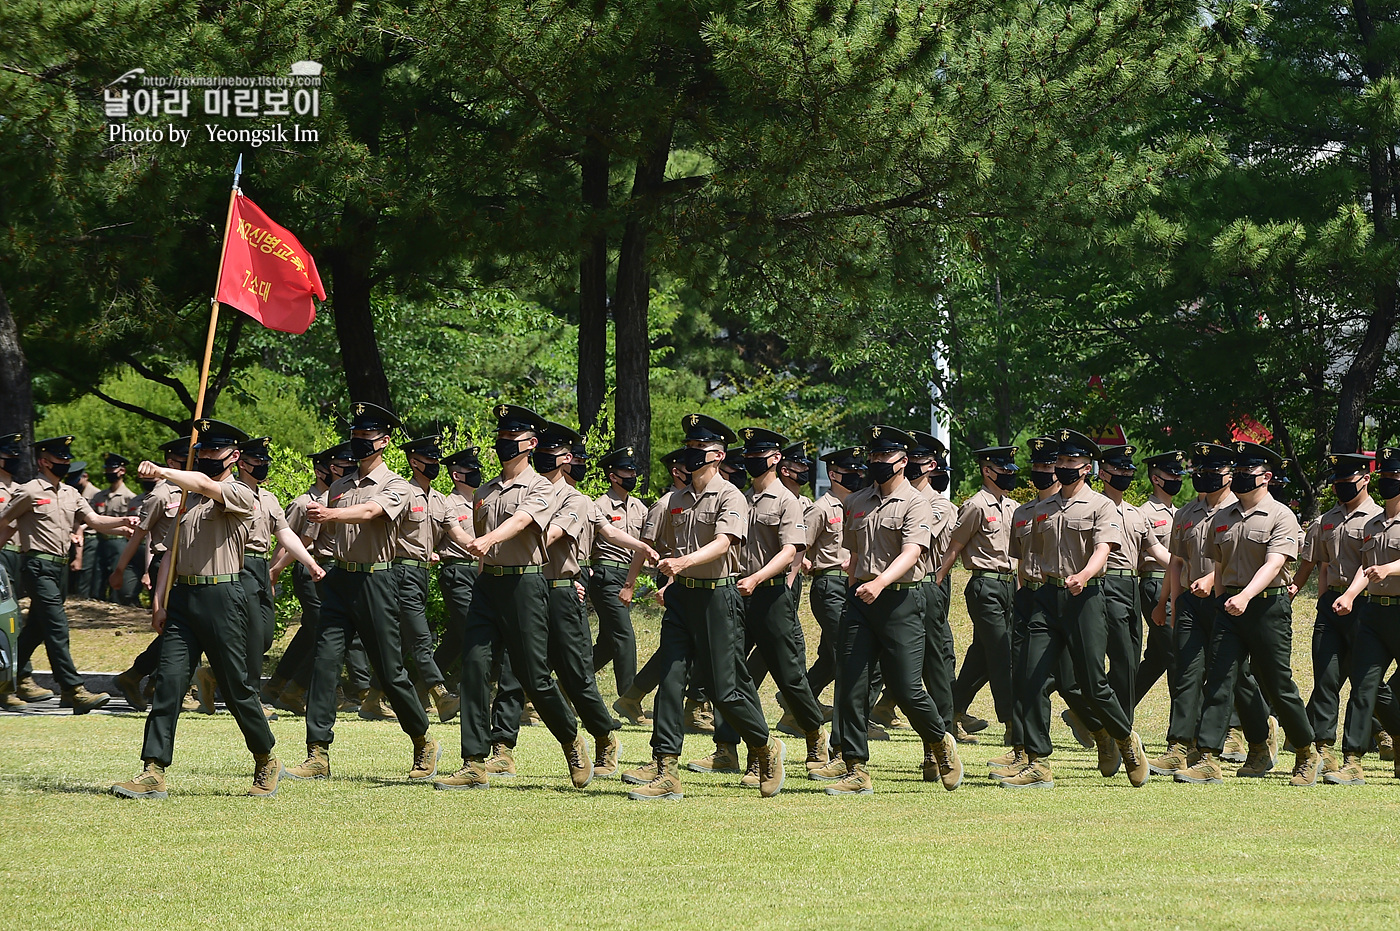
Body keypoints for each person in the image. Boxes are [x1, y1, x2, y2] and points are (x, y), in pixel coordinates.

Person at [110, 419, 297, 799]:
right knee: (170, 683)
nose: (208, 456)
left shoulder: (240, 492)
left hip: (223, 598)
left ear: (234, 456)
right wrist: (160, 602)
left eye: (215, 450)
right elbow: (171, 555)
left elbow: (208, 485)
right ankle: (153, 770)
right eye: (203, 450)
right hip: (184, 600)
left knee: (235, 686)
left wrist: (166, 472)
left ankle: (265, 758)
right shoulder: (183, 499)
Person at [433, 405, 594, 791]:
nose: (504, 444)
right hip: (489, 585)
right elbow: (475, 529)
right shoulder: (485, 491)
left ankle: (571, 739)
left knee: (533, 676)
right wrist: (474, 547)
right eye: (501, 437)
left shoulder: (541, 487)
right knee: (473, 668)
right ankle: (474, 761)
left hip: (526, 585)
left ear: (531, 444)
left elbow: (522, 521)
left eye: (512, 438)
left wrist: (489, 540)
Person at [284, 402, 446, 785]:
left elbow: (373, 513)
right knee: (324, 666)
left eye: (366, 438)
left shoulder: (397, 486)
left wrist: (330, 515)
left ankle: (423, 740)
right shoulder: (339, 485)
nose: (358, 444)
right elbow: (318, 529)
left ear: (384, 442)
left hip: (377, 581)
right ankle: (317, 753)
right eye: (354, 437)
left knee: (390, 672)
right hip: (340, 580)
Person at [626, 414, 785, 801]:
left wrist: (683, 562)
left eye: (698, 449)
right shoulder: (674, 499)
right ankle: (666, 769)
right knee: (671, 679)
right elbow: (658, 543)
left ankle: (765, 747)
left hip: (718, 597)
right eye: (689, 448)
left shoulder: (729, 495)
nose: (689, 454)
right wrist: (659, 565)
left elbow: (724, 542)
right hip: (682, 597)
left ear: (716, 455)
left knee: (724, 688)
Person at [1001, 429, 1149, 790]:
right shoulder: (1041, 508)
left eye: (1070, 461)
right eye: (1059, 461)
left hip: (1085, 598)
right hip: (1045, 600)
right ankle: (1037, 762)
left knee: (1093, 684)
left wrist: (1083, 575)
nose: (1062, 467)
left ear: (1087, 467)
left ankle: (1125, 739)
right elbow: (1026, 556)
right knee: (1031, 678)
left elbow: (1103, 549)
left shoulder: (1101, 505)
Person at [823, 424, 960, 795]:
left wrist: (880, 582)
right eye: (873, 455)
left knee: (906, 686)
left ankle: (938, 741)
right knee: (851, 682)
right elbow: (852, 553)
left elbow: (913, 551)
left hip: (900, 599)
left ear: (902, 460)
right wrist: (854, 581)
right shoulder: (855, 502)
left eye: (884, 455)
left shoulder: (918, 504)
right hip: (860, 601)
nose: (877, 461)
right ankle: (855, 767)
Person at [1176, 441, 1319, 786]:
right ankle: (1208, 757)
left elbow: (1275, 564)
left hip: (1268, 606)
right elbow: (1219, 563)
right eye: (1236, 472)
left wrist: (1246, 597)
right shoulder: (1222, 517)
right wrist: (1225, 597)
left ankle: (1306, 751)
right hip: (1230, 607)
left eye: (1247, 473)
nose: (1240, 478)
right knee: (1220, 680)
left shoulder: (1280, 516)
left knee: (1278, 684)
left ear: (1266, 477)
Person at [692, 427, 828, 782]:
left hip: (770, 596)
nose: (751, 460)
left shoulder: (788, 501)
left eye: (759, 454)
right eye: (748, 454)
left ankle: (815, 736)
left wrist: (756, 578)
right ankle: (730, 749)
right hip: (734, 595)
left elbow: (790, 550)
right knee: (733, 674)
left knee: (789, 675)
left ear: (776, 458)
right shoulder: (737, 497)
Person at [1152, 443, 1277, 778]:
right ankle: (1179, 747)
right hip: (1191, 604)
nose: (1206, 478)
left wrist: (1211, 580)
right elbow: (1176, 563)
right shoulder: (1185, 514)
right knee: (1186, 674)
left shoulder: (1240, 513)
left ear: (1229, 475)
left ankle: (1260, 735)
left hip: (1227, 601)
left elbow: (1244, 563)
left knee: (1234, 679)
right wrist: (1171, 602)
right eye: (1201, 472)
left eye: (1214, 472)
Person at [0, 436, 136, 712]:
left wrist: (123, 522)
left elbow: (96, 521)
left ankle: (6, 681)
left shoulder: (71, 493)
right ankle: (73, 689)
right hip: (36, 564)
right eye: (60, 459)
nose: (65, 463)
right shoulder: (28, 491)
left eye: (67, 459)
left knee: (35, 630)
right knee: (57, 627)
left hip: (59, 567)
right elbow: (5, 520)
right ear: (44, 462)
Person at [1298, 452, 1387, 777]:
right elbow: (1324, 565)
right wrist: (1325, 599)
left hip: (1364, 604)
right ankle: (1323, 748)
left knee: (1367, 682)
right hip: (1331, 606)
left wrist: (1350, 595)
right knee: (1326, 678)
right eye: (1337, 483)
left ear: (1365, 479)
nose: (1340, 488)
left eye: (1346, 482)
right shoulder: (1327, 520)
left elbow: (1369, 566)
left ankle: (1384, 733)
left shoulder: (1378, 518)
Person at [614, 447, 712, 735]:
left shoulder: (699, 501)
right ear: (677, 471)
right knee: (683, 647)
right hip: (673, 578)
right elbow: (644, 549)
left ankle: (634, 697)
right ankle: (679, 707)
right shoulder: (665, 504)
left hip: (693, 575)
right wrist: (630, 585)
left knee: (686, 647)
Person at [227, 436, 321, 717]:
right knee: (254, 634)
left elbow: (286, 534)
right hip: (238, 564)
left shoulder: (268, 498)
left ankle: (216, 677)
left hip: (260, 568)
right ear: (241, 463)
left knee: (265, 636)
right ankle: (251, 698)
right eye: (257, 461)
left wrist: (309, 563)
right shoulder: (230, 493)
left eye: (265, 461)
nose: (263, 466)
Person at [935, 445, 1020, 742]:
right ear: (987, 471)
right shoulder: (975, 505)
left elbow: (1018, 555)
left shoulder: (1012, 506)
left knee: (982, 656)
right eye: (1003, 469)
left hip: (1009, 586)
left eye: (1011, 469)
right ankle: (1012, 723)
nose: (1009, 474)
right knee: (1002, 653)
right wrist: (937, 581)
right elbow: (954, 548)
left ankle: (951, 712)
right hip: (985, 586)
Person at [108, 436, 195, 712]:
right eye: (185, 459)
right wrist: (121, 569)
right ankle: (138, 676)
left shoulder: (194, 490)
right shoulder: (160, 495)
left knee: (182, 630)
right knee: (174, 630)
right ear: (171, 462)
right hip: (165, 567)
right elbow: (139, 536)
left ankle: (148, 679)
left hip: (189, 568)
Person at [1330, 446, 1400, 784]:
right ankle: (1353, 759)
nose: (1390, 482)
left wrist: (1389, 568)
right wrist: (1350, 593)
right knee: (1363, 684)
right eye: (1385, 476)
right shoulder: (1372, 523)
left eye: (1395, 477)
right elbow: (1364, 566)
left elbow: (1383, 567)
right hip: (1373, 613)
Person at [1095, 445, 1173, 738]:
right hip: (1105, 584)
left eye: (1129, 469)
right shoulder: (1095, 507)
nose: (1126, 474)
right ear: (1102, 474)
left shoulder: (1133, 513)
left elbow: (1158, 552)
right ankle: (1115, 726)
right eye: (1119, 469)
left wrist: (1186, 570)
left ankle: (1116, 723)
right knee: (1119, 658)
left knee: (1130, 659)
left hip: (1130, 586)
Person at [381, 434, 459, 723]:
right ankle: (440, 694)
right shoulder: (402, 493)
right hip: (400, 572)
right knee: (420, 635)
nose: (435, 465)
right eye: (429, 460)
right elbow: (385, 533)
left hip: (423, 574)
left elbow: (457, 536)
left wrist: (485, 547)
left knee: (403, 640)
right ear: (414, 462)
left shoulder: (440, 500)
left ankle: (374, 697)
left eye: (437, 460)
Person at [588, 446, 649, 700]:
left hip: (627, 575)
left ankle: (568, 684)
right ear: (613, 476)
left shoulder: (639, 507)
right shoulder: (598, 505)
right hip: (606, 575)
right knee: (624, 637)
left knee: (608, 644)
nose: (632, 474)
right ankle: (629, 699)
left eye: (633, 470)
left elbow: (648, 542)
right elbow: (585, 541)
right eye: (626, 470)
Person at [1135, 451, 1186, 708]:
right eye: (1171, 474)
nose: (1177, 479)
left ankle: (1098, 714)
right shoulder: (1144, 513)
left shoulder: (1179, 512)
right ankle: (1184, 730)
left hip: (1176, 585)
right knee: (1177, 656)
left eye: (1179, 474)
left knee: (1156, 660)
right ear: (1156, 478)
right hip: (1155, 583)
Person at [91, 453, 138, 604]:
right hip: (101, 540)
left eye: (113, 469)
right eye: (107, 469)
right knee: (98, 576)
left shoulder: (130, 497)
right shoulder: (99, 496)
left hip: (120, 542)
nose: (109, 473)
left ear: (122, 471)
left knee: (117, 578)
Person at [0, 434, 24, 605]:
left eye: (16, 456)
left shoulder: (22, 490)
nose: (14, 459)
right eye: (9, 456)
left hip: (20, 552)